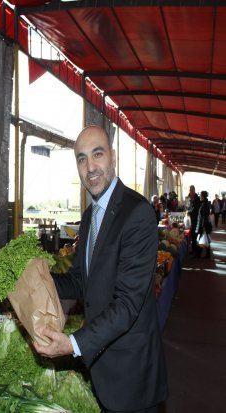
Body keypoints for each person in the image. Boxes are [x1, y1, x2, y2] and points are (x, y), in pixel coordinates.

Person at [33, 126, 167, 413]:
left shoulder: (137, 213)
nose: (90, 167)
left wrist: (71, 344)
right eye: (81, 159)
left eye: (97, 154)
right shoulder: (89, 215)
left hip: (130, 377)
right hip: (101, 369)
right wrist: (36, 279)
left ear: (113, 157)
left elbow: (128, 305)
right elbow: (82, 281)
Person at [196, 190, 213, 259]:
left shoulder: (204, 204)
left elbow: (204, 217)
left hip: (203, 225)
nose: (200, 196)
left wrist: (203, 226)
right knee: (204, 239)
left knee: (202, 239)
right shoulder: (204, 203)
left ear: (203, 196)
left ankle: (199, 255)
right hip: (204, 225)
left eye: (200, 195)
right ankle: (206, 254)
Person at [187, 185, 201, 257]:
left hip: (196, 220)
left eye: (190, 190)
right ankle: (193, 250)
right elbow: (191, 207)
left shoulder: (196, 199)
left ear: (193, 190)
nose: (189, 191)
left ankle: (196, 252)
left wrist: (189, 212)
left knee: (195, 236)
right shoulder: (192, 198)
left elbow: (195, 209)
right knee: (193, 236)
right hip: (193, 219)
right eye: (189, 190)